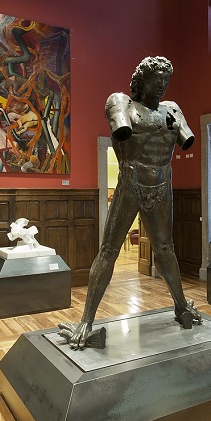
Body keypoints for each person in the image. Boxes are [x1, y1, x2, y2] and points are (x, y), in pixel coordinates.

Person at [58, 56, 200, 349]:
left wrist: (169, 124)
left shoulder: (172, 109)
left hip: (162, 182)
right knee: (109, 249)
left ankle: (181, 305)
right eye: (157, 79)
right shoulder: (121, 103)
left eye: (166, 80)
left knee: (165, 249)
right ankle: (86, 321)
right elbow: (121, 129)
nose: (162, 85)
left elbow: (186, 138)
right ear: (142, 80)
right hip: (131, 182)